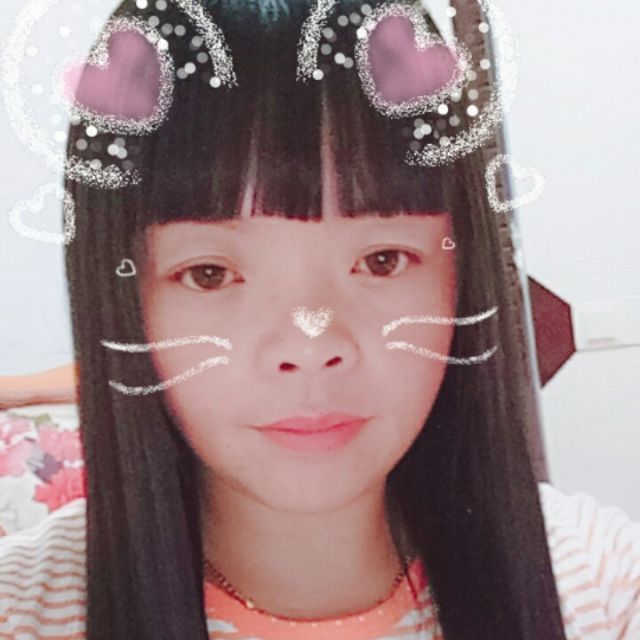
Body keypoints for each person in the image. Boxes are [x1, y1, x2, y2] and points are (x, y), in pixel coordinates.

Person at [1, 0, 639, 638]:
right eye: (210, 273)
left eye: (383, 260)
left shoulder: (600, 584)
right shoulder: (23, 610)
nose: (310, 345)